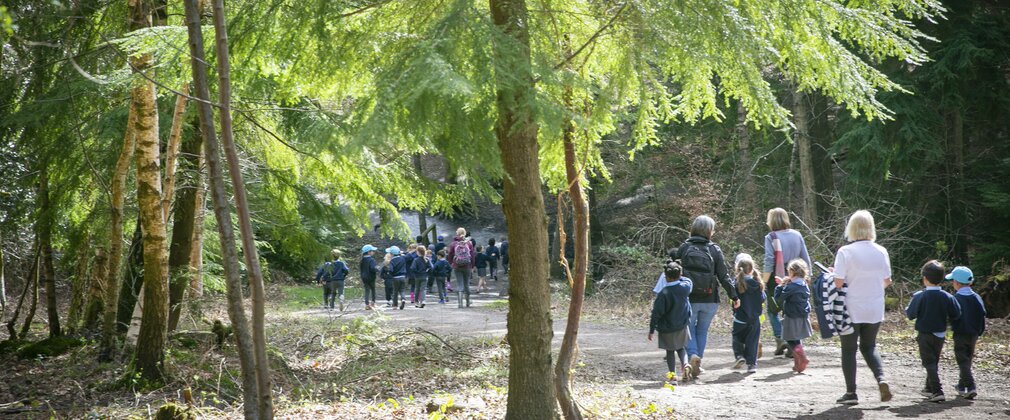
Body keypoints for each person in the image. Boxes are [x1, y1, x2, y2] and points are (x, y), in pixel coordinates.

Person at [832, 210, 893, 405]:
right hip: (874, 306)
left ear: (851, 228)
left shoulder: (845, 252)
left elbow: (838, 283)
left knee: (849, 349)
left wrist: (834, 274)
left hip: (851, 307)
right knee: (869, 346)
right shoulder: (881, 250)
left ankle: (851, 393)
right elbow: (887, 280)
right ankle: (881, 378)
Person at [668, 215, 738, 379]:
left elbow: (674, 272)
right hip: (710, 298)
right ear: (709, 231)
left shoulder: (684, 248)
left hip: (688, 298)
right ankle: (697, 360)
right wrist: (734, 296)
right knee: (702, 330)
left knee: (689, 329)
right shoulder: (714, 249)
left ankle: (692, 356)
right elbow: (724, 276)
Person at [906, 260, 962, 403]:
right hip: (940, 333)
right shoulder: (947, 297)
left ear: (924, 278)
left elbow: (910, 314)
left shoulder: (920, 296)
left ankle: (937, 390)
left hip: (925, 333)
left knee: (929, 362)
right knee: (933, 360)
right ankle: (928, 387)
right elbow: (956, 313)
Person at [762, 208, 811, 357]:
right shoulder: (797, 235)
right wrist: (807, 276)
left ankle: (781, 338)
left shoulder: (771, 236)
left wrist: (763, 281)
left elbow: (769, 259)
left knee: (773, 310)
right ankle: (796, 345)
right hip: (797, 276)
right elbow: (805, 256)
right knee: (794, 310)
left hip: (778, 277)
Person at [648, 260, 693, 385]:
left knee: (670, 351)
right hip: (682, 324)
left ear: (666, 277)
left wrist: (652, 329)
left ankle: (673, 376)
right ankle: (685, 364)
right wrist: (678, 271)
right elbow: (687, 280)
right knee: (681, 348)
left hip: (667, 327)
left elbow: (656, 313)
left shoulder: (663, 294)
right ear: (680, 274)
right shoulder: (686, 287)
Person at [948, 266, 985, 400]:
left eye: (953, 281)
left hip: (960, 333)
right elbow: (982, 315)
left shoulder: (955, 298)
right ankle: (961, 385)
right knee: (968, 358)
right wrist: (980, 331)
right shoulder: (977, 297)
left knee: (962, 359)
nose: (952, 284)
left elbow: (952, 315)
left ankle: (970, 386)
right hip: (974, 333)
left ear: (957, 283)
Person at [774, 258, 813, 373]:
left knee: (790, 339)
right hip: (802, 315)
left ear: (792, 272)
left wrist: (780, 286)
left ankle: (803, 357)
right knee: (797, 338)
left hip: (792, 315)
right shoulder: (804, 285)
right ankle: (798, 364)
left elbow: (779, 299)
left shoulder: (791, 287)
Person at [732, 253, 764, 374]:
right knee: (752, 341)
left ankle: (739, 356)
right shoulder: (758, 284)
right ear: (752, 269)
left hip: (740, 317)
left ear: (737, 268)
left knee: (737, 338)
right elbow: (762, 298)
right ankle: (752, 365)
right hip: (755, 318)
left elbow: (733, 299)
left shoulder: (736, 283)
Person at [447, 227, 475, 307]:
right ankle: (468, 302)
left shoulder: (453, 244)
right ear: (465, 233)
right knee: (466, 284)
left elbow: (450, 254)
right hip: (467, 266)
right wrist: (473, 266)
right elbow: (472, 255)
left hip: (457, 265)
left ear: (457, 234)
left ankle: (460, 303)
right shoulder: (469, 243)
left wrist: (451, 263)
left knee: (459, 284)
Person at [359, 245, 380, 310]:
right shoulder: (371, 260)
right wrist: (377, 268)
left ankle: (367, 304)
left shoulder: (362, 260)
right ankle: (373, 303)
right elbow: (372, 268)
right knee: (373, 290)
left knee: (367, 290)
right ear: (369, 252)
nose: (373, 252)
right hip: (371, 277)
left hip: (364, 277)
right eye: (372, 251)